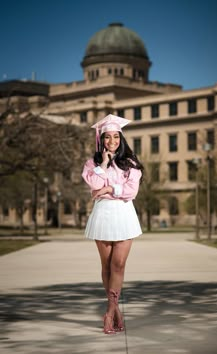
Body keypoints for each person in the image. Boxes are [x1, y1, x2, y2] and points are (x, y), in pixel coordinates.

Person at [82, 114, 143, 335]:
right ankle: (116, 312)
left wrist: (109, 190)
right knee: (106, 265)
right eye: (107, 137)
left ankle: (109, 312)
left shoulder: (131, 163)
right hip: (103, 216)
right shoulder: (92, 164)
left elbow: (131, 192)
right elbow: (94, 183)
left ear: (121, 138)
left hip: (124, 215)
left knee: (118, 265)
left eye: (116, 137)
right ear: (101, 140)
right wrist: (104, 165)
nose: (112, 141)